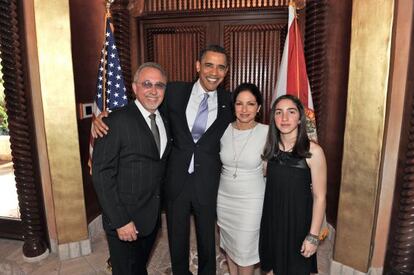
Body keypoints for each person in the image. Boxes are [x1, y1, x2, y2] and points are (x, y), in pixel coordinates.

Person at [92, 45, 234, 274]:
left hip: (208, 182)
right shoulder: (174, 92)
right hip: (175, 182)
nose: (214, 72)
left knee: (208, 241)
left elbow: (248, 122)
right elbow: (142, 109)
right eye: (209, 65)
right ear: (198, 66)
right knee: (176, 240)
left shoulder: (231, 101)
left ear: (226, 72)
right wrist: (103, 116)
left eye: (220, 67)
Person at [92, 62, 171, 275]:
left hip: (151, 217)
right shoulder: (115, 121)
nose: (153, 91)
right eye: (147, 84)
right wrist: (120, 221)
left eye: (159, 85)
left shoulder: (164, 119)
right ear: (135, 88)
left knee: (139, 267)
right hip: (125, 220)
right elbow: (101, 174)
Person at [259, 94, 327, 275]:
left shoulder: (313, 151)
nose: (285, 118)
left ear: (299, 118)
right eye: (279, 113)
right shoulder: (270, 149)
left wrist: (313, 236)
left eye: (291, 112)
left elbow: (320, 197)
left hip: (298, 226)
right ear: (273, 118)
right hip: (272, 223)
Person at [217, 83, 268, 275]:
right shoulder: (222, 130)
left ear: (259, 107)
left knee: (245, 252)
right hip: (224, 198)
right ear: (233, 106)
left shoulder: (267, 132)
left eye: (250, 104)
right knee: (230, 247)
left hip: (251, 202)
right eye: (239, 104)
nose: (244, 110)